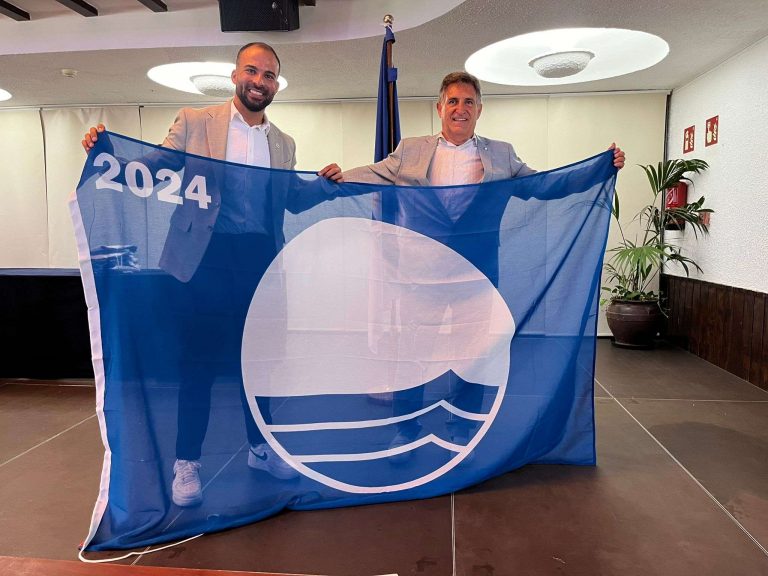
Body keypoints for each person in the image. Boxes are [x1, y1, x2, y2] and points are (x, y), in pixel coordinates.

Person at [83, 42, 342, 507]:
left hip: (260, 261)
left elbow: (291, 199)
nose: (259, 81)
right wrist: (107, 156)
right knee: (197, 364)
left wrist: (325, 187)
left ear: (276, 85)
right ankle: (187, 462)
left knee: (258, 364)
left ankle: (261, 448)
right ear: (235, 75)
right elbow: (152, 169)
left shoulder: (283, 143)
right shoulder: (195, 121)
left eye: (269, 75)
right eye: (252, 71)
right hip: (204, 261)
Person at [338, 71, 625, 459]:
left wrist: (598, 169)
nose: (460, 109)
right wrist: (337, 178)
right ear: (440, 108)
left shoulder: (501, 154)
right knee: (412, 356)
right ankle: (405, 431)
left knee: (473, 356)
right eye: (453, 101)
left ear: (479, 110)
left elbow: (542, 184)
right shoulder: (411, 149)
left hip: (476, 276)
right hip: (420, 276)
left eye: (468, 102)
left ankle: (463, 430)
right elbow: (374, 174)